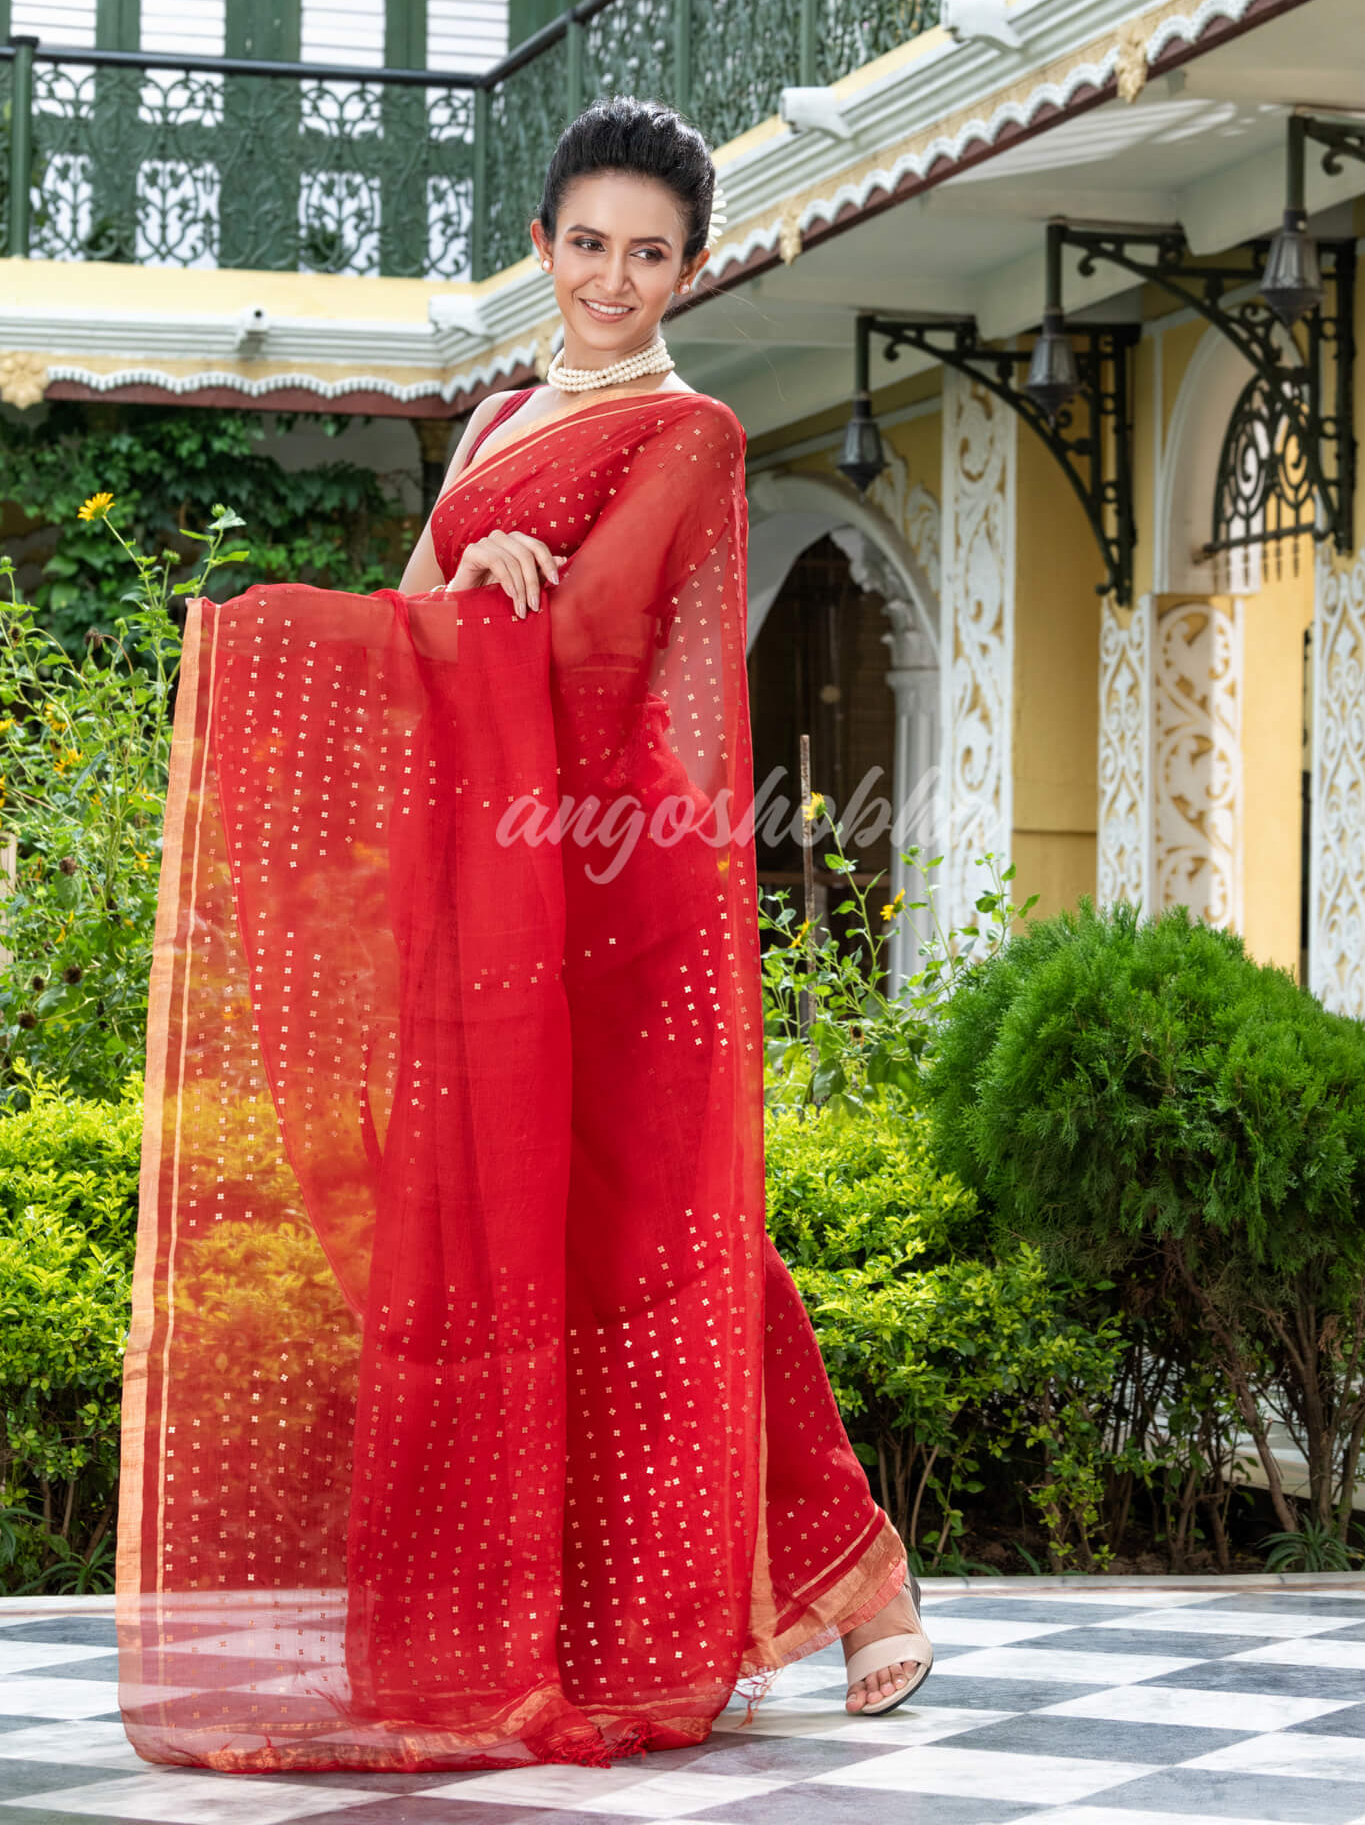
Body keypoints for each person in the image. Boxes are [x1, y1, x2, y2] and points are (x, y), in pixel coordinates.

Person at [118, 96, 930, 1779]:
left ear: (690, 266)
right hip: (483, 887)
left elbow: (597, 649)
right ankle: (524, 1615)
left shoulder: (691, 431)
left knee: (669, 1240)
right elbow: (414, 618)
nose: (612, 279)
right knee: (492, 1235)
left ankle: (856, 1571)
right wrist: (453, 562)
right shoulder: (494, 419)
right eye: (587, 245)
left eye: (649, 254)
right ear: (543, 245)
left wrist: (501, 598)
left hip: (612, 896)